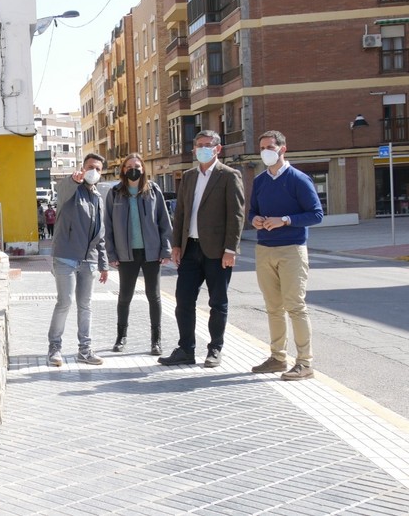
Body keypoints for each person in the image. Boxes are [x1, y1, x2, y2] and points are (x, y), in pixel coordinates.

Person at [159, 130, 245, 368]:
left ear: (218, 149)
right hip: (190, 249)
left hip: (217, 251)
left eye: (207, 145)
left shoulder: (229, 175)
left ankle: (215, 349)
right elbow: (181, 213)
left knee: (218, 302)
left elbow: (236, 215)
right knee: (183, 301)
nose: (202, 149)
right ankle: (186, 349)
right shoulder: (188, 176)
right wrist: (176, 244)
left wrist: (231, 248)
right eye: (198, 145)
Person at [248, 130, 324, 380]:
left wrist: (285, 220)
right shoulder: (259, 181)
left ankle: (305, 362)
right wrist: (256, 220)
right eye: (262, 148)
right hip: (264, 249)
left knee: (295, 306)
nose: (266, 152)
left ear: (283, 149)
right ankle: (277, 358)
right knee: (273, 308)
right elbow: (252, 212)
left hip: (292, 249)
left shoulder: (299, 179)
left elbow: (316, 214)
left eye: (270, 147)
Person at [104, 154, 173, 356]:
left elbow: (164, 221)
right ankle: (121, 338)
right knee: (125, 297)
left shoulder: (153, 191)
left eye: (137, 165)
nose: (133, 169)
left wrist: (165, 249)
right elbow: (107, 225)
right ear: (123, 169)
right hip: (126, 254)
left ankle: (156, 341)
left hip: (151, 252)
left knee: (154, 296)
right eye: (128, 166)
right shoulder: (115, 193)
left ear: (143, 168)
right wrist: (111, 253)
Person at [47, 153, 109, 367]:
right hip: (65, 256)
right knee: (65, 302)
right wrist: (73, 180)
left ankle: (85, 350)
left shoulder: (98, 198)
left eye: (98, 169)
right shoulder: (71, 190)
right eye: (91, 167)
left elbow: (100, 233)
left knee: (85, 305)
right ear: (82, 168)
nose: (94, 171)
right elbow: (62, 189)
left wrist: (104, 263)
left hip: (89, 260)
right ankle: (54, 348)